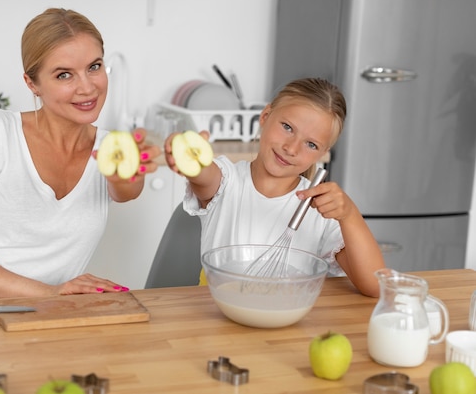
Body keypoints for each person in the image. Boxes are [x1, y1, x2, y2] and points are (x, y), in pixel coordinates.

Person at [0, 8, 161, 302]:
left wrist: (126, 173)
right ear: (32, 84)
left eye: (94, 66)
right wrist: (50, 293)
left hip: (38, 314)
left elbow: (126, 190)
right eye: (64, 74)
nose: (88, 86)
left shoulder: (110, 149)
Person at [164, 78, 385, 297]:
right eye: (288, 127)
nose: (291, 148)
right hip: (218, 315)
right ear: (265, 116)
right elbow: (203, 173)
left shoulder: (321, 213)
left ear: (322, 153)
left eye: (311, 144)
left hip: (286, 321)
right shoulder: (227, 181)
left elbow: (374, 286)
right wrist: (187, 153)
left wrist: (349, 215)